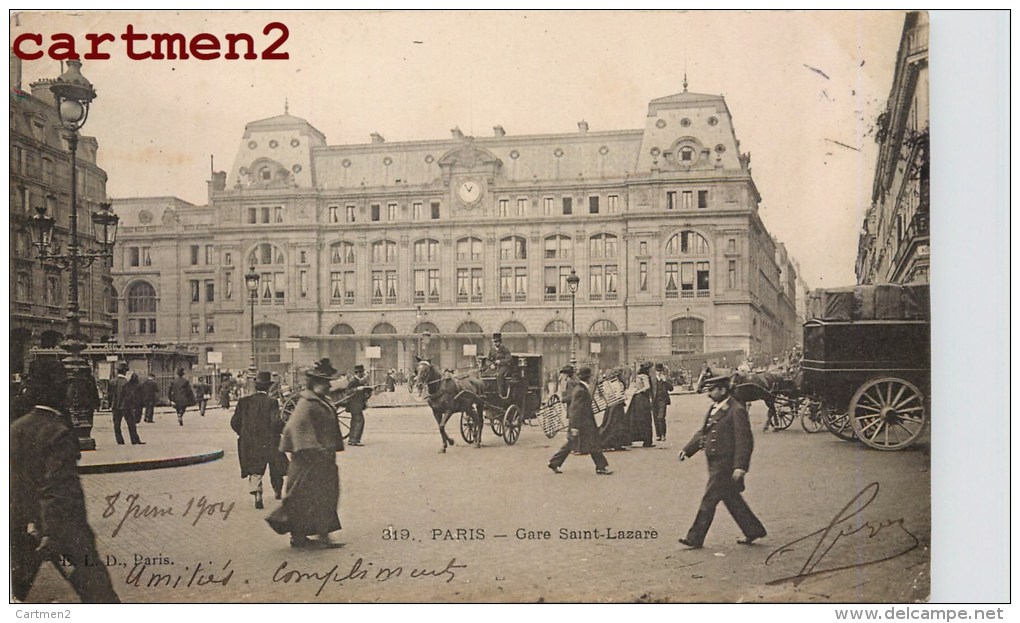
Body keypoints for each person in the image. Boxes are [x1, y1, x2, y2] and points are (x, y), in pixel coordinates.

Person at [11, 358, 120, 603]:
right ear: (58, 388)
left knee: (19, 590)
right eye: (66, 384)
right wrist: (50, 532)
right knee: (99, 594)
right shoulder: (56, 431)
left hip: (20, 528)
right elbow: (58, 488)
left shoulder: (15, 428)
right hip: (64, 530)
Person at [677, 375, 766, 549]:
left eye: (712, 390)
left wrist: (740, 466)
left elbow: (744, 441)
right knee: (731, 498)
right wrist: (687, 450)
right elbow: (703, 433)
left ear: (723, 390)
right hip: (714, 461)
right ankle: (753, 530)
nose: (708, 393)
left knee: (709, 499)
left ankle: (695, 537)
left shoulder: (736, 410)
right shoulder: (715, 408)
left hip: (725, 464)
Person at [267, 358, 344, 549]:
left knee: (325, 495)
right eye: (325, 382)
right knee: (304, 497)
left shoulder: (318, 400)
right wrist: (313, 449)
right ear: (315, 383)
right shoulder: (307, 403)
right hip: (308, 461)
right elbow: (296, 428)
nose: (328, 386)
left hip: (322, 459)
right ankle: (299, 536)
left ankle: (322, 534)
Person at [231, 371, 288, 509]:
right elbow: (275, 422)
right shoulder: (272, 402)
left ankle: (257, 494)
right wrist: (282, 429)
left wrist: (243, 433)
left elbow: (234, 422)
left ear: (256, 387)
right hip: (269, 440)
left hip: (250, 441)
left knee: (255, 468)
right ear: (268, 387)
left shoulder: (244, 402)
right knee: (275, 466)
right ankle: (277, 490)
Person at [548, 367, 612, 475]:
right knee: (591, 444)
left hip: (584, 423)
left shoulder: (581, 388)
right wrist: (574, 427)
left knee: (577, 444)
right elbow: (575, 410)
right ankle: (601, 467)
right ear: (588, 378)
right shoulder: (581, 391)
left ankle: (554, 463)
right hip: (583, 424)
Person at [109, 363, 143, 445]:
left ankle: (120, 440)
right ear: (124, 372)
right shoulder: (126, 383)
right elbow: (129, 396)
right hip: (126, 406)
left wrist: (111, 404)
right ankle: (134, 440)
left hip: (115, 406)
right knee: (131, 424)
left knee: (116, 424)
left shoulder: (112, 381)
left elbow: (109, 394)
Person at [599, 368, 631, 451]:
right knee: (618, 425)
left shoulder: (605, 383)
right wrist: (624, 398)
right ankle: (617, 444)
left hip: (609, 405)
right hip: (617, 406)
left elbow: (604, 395)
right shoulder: (618, 384)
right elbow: (619, 396)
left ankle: (605, 442)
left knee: (608, 423)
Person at [627, 361, 655, 447]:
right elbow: (647, 387)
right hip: (642, 398)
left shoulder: (637, 376)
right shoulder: (645, 376)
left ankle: (631, 439)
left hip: (636, 399)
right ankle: (647, 441)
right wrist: (640, 390)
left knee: (635, 419)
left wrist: (636, 391)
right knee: (645, 419)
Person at [345, 364, 369, 446]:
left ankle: (352, 439)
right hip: (354, 405)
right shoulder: (353, 380)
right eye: (362, 373)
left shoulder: (357, 380)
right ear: (358, 373)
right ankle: (355, 440)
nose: (362, 374)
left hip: (357, 404)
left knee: (355, 421)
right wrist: (357, 389)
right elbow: (348, 392)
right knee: (359, 421)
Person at [652, 363, 674, 442]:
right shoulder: (653, 379)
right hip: (654, 400)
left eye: (660, 371)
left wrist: (665, 381)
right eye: (657, 371)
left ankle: (663, 434)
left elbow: (671, 388)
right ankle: (658, 435)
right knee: (655, 418)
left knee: (661, 417)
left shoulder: (666, 378)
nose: (659, 372)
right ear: (655, 371)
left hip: (663, 400)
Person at [487, 333, 512, 399]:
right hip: (494, 367)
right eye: (494, 342)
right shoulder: (492, 350)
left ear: (500, 342)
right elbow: (488, 360)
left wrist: (500, 362)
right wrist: (491, 365)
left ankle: (501, 392)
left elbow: (509, 359)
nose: (495, 343)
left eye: (497, 342)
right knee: (485, 374)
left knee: (499, 375)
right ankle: (487, 391)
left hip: (504, 367)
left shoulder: (505, 350)